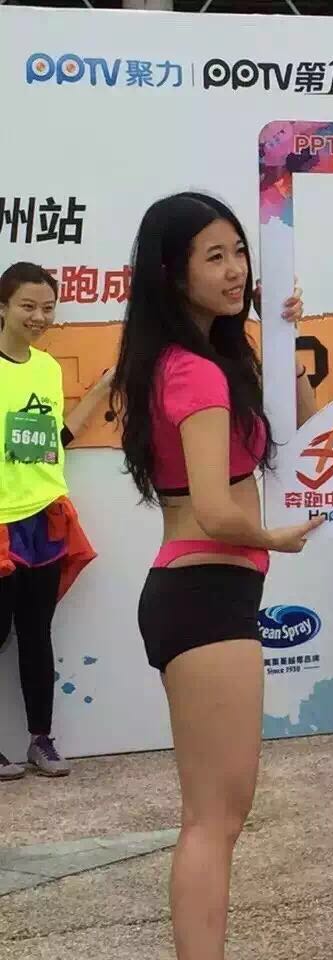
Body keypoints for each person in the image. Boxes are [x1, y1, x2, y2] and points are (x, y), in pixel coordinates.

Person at [110, 192, 323, 960]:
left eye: (239, 252)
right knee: (213, 821)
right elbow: (213, 507)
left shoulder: (199, 359)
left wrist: (286, 340)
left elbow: (305, 427)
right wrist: (274, 537)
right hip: (204, 594)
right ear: (174, 274)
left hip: (205, 594)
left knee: (219, 817)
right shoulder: (194, 372)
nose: (236, 270)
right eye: (215, 256)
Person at [0, 262, 108, 781]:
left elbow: (52, 440)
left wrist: (101, 392)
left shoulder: (46, 368)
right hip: (1, 523)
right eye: (28, 306)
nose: (39, 317)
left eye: (47, 308)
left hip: (44, 517)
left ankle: (41, 740)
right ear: (2, 308)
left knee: (36, 632)